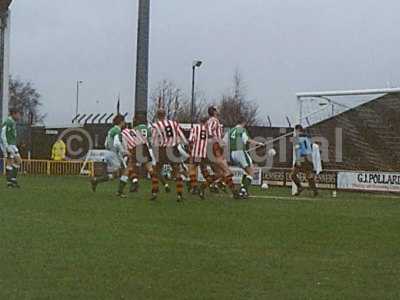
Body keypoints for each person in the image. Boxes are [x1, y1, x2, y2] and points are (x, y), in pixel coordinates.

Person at [152, 109, 188, 202]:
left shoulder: (156, 126)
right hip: (173, 149)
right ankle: (179, 195)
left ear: (157, 116)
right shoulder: (174, 123)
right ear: (165, 115)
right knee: (177, 171)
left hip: (163, 149)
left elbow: (154, 141)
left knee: (156, 171)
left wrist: (156, 152)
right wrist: (185, 144)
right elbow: (181, 135)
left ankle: (155, 192)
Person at [91, 114, 129, 198]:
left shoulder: (111, 130)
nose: (125, 123)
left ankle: (96, 180)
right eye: (124, 121)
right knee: (125, 171)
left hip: (109, 153)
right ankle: (120, 192)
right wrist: (124, 152)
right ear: (121, 122)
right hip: (113, 154)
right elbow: (117, 143)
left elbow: (106, 143)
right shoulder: (117, 130)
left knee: (117, 174)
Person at [122, 117, 159, 200]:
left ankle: (135, 182)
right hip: (144, 146)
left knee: (131, 167)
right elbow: (146, 140)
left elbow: (125, 144)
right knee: (150, 169)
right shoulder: (136, 131)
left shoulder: (124, 132)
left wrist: (127, 152)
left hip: (135, 149)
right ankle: (155, 189)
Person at [228, 118, 264, 198]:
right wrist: (258, 143)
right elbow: (247, 139)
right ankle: (243, 190)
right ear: (243, 122)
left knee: (246, 171)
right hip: (240, 151)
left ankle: (243, 189)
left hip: (232, 153)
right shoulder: (242, 129)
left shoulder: (231, 130)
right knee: (251, 171)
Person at [134, 114, 171, 194]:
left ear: (137, 121)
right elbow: (152, 140)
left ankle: (135, 184)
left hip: (139, 149)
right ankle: (165, 184)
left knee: (135, 168)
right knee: (153, 170)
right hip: (149, 150)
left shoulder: (135, 129)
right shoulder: (148, 129)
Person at [207, 106, 238, 197]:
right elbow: (209, 132)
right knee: (227, 171)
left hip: (213, 147)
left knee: (220, 173)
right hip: (214, 147)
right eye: (217, 109)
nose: (219, 110)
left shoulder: (213, 121)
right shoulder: (214, 120)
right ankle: (235, 192)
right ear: (214, 111)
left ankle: (208, 186)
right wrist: (218, 141)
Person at [188, 117, 215, 199]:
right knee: (204, 170)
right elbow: (211, 140)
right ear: (206, 122)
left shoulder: (195, 128)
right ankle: (206, 186)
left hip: (196, 152)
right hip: (204, 153)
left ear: (199, 121)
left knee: (192, 168)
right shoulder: (208, 130)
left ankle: (195, 186)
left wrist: (190, 148)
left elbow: (190, 140)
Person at [291, 124, 318, 197]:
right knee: (308, 175)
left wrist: (298, 160)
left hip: (302, 157)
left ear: (297, 130)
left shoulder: (296, 138)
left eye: (295, 130)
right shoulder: (307, 137)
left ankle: (300, 187)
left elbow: (298, 150)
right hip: (309, 157)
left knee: (293, 175)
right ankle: (315, 191)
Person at [0, 108, 22, 188]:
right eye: (18, 114)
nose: (19, 116)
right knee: (11, 161)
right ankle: (10, 182)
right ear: (14, 114)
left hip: (12, 145)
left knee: (18, 161)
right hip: (8, 145)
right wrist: (6, 147)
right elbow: (2, 134)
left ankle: (12, 180)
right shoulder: (8, 122)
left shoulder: (12, 122)